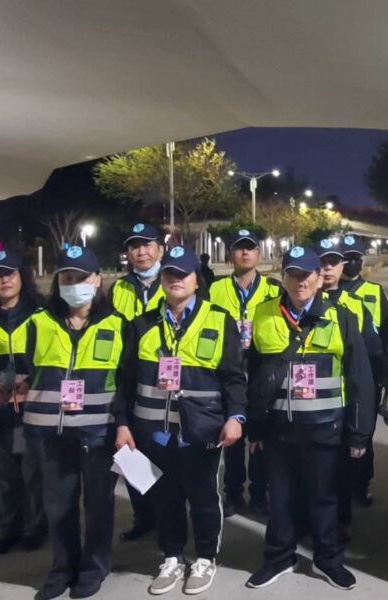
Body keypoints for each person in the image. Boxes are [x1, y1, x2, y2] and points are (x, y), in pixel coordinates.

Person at [115, 245, 246, 596]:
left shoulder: (218, 319)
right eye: (169, 274)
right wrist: (123, 423)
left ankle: (205, 558)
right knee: (164, 498)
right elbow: (125, 381)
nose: (176, 280)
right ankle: (172, 556)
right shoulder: (142, 324)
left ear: (196, 280)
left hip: (201, 430)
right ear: (162, 279)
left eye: (183, 274)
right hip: (154, 434)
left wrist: (235, 417)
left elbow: (234, 376)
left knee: (203, 498)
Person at [245, 246, 375, 591]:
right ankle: (278, 558)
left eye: (306, 275)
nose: (299, 282)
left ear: (319, 278)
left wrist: (359, 433)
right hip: (278, 429)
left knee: (324, 499)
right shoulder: (264, 314)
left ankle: (328, 559)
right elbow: (256, 375)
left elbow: (359, 378)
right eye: (293, 275)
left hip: (325, 427)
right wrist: (255, 427)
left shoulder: (341, 317)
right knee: (280, 499)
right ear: (282, 277)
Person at [23, 246, 125, 600]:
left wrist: (122, 424)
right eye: (67, 277)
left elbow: (124, 382)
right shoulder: (39, 322)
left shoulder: (117, 324)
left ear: (97, 280)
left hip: (98, 433)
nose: (73, 284)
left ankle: (94, 568)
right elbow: (26, 369)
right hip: (51, 434)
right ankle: (62, 568)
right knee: (58, 505)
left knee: (98, 505)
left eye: (81, 277)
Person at [0, 250, 47, 555]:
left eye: (10, 273)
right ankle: (5, 530)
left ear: (22, 277)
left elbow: (55, 360)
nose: (5, 280)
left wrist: (34, 382)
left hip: (32, 412)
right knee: (1, 475)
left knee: (33, 472)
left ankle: (35, 528)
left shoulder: (42, 317)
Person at [209, 228, 281, 518]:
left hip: (261, 369)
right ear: (231, 254)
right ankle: (234, 492)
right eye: (239, 248)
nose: (245, 252)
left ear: (259, 253)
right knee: (232, 436)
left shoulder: (274, 289)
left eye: (250, 247)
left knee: (260, 435)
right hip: (229, 370)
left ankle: (260, 492)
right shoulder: (214, 289)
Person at [313, 238, 380, 543]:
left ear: (341, 267)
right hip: (303, 408)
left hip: (340, 404)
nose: (327, 269)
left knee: (340, 469)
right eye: (321, 263)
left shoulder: (355, 306)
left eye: (333, 263)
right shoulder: (294, 303)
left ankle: (341, 520)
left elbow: (370, 356)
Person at [108, 223, 164, 541]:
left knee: (165, 450)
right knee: (132, 448)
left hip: (165, 376)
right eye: (134, 246)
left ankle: (169, 515)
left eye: (147, 244)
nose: (141, 252)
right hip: (128, 372)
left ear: (160, 249)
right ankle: (143, 515)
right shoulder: (119, 288)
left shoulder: (174, 279)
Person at [339, 234, 388, 506]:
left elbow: (386, 335)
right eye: (346, 258)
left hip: (369, 375)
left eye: (356, 258)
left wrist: (385, 373)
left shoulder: (374, 291)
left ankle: (362, 484)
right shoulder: (325, 291)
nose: (352, 262)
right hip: (338, 375)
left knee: (363, 433)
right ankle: (341, 487)